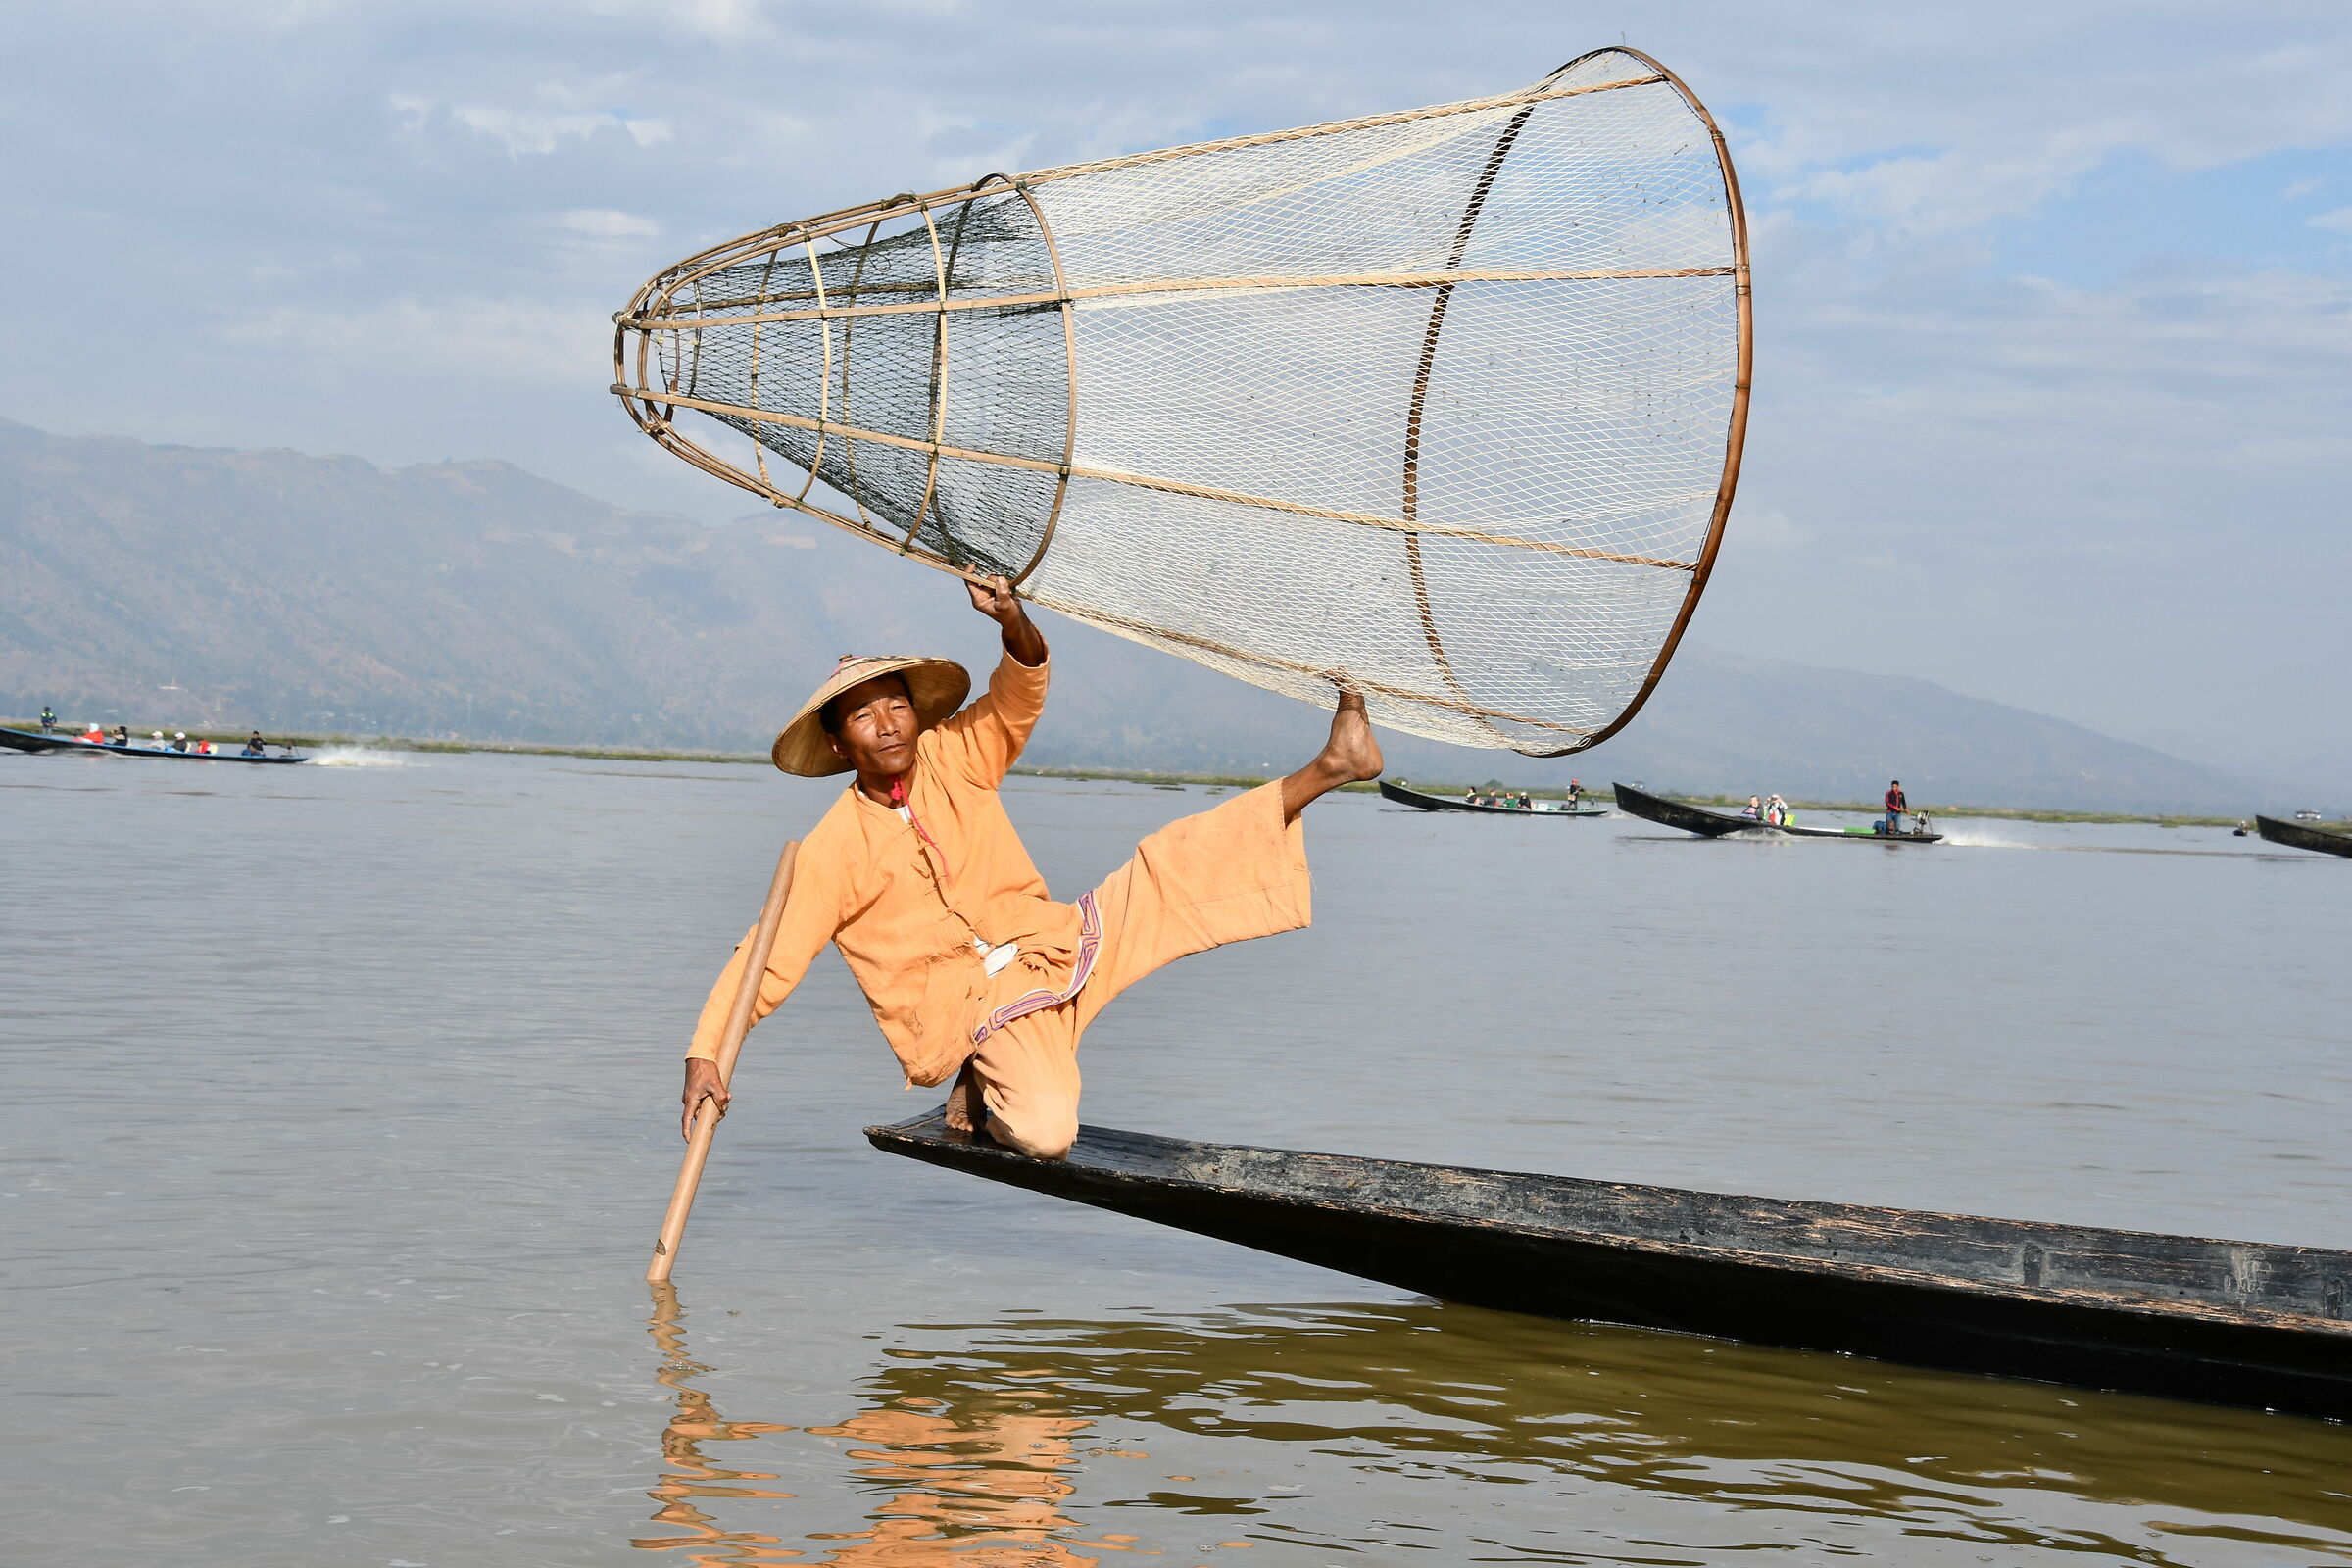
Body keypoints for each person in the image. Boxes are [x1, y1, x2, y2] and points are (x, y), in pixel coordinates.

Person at [677, 574, 1382, 1163]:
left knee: (1172, 865)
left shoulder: (956, 754)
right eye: (865, 715)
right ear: (837, 742)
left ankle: (1332, 765)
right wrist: (708, 1054)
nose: (888, 723)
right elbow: (765, 960)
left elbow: (1022, 687)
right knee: (1046, 1135)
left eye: (896, 704)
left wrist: (1012, 619)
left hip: (1056, 944)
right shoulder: (831, 849)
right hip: (976, 1009)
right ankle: (986, 1085)